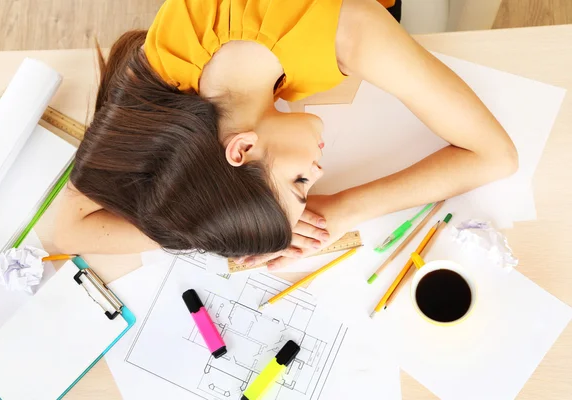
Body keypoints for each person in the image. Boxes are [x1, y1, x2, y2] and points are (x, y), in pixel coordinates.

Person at [54, 0, 518, 270]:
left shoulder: (351, 34)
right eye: (308, 189)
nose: (319, 172)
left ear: (243, 147)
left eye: (300, 182)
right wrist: (219, 218)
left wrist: (339, 210)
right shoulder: (162, 71)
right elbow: (67, 229)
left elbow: (495, 156)